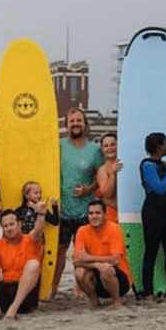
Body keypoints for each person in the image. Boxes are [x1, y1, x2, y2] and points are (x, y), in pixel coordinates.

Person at [54, 108, 104, 300]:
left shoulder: (94, 150)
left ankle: (79, 287)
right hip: (62, 211)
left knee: (81, 253)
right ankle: (54, 288)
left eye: (79, 121)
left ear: (85, 124)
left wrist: (88, 190)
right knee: (59, 252)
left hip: (85, 210)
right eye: (72, 121)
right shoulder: (58, 146)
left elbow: (101, 178)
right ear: (66, 125)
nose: (75, 124)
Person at [0, 205, 47, 321]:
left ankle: (13, 310)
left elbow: (38, 231)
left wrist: (41, 215)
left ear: (20, 224)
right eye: (5, 226)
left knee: (33, 264)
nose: (9, 229)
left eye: (12, 224)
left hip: (25, 297)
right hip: (4, 293)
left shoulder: (30, 240)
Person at [139, 133, 166, 302]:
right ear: (159, 146)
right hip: (152, 212)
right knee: (151, 251)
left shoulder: (164, 165)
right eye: (165, 144)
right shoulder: (148, 165)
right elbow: (160, 188)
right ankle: (148, 291)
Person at [72, 200, 134, 308]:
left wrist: (89, 258)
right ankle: (94, 301)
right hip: (96, 276)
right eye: (91, 213)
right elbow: (75, 260)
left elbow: (115, 260)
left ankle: (116, 301)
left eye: (98, 213)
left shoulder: (114, 228)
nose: (94, 216)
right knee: (79, 271)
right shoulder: (82, 231)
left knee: (107, 269)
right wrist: (96, 265)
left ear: (105, 215)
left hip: (120, 280)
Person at [96, 132, 121, 223]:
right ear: (102, 149)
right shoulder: (102, 170)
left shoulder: (125, 164)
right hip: (112, 215)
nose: (110, 148)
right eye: (106, 146)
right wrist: (112, 174)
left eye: (113, 144)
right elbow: (107, 194)